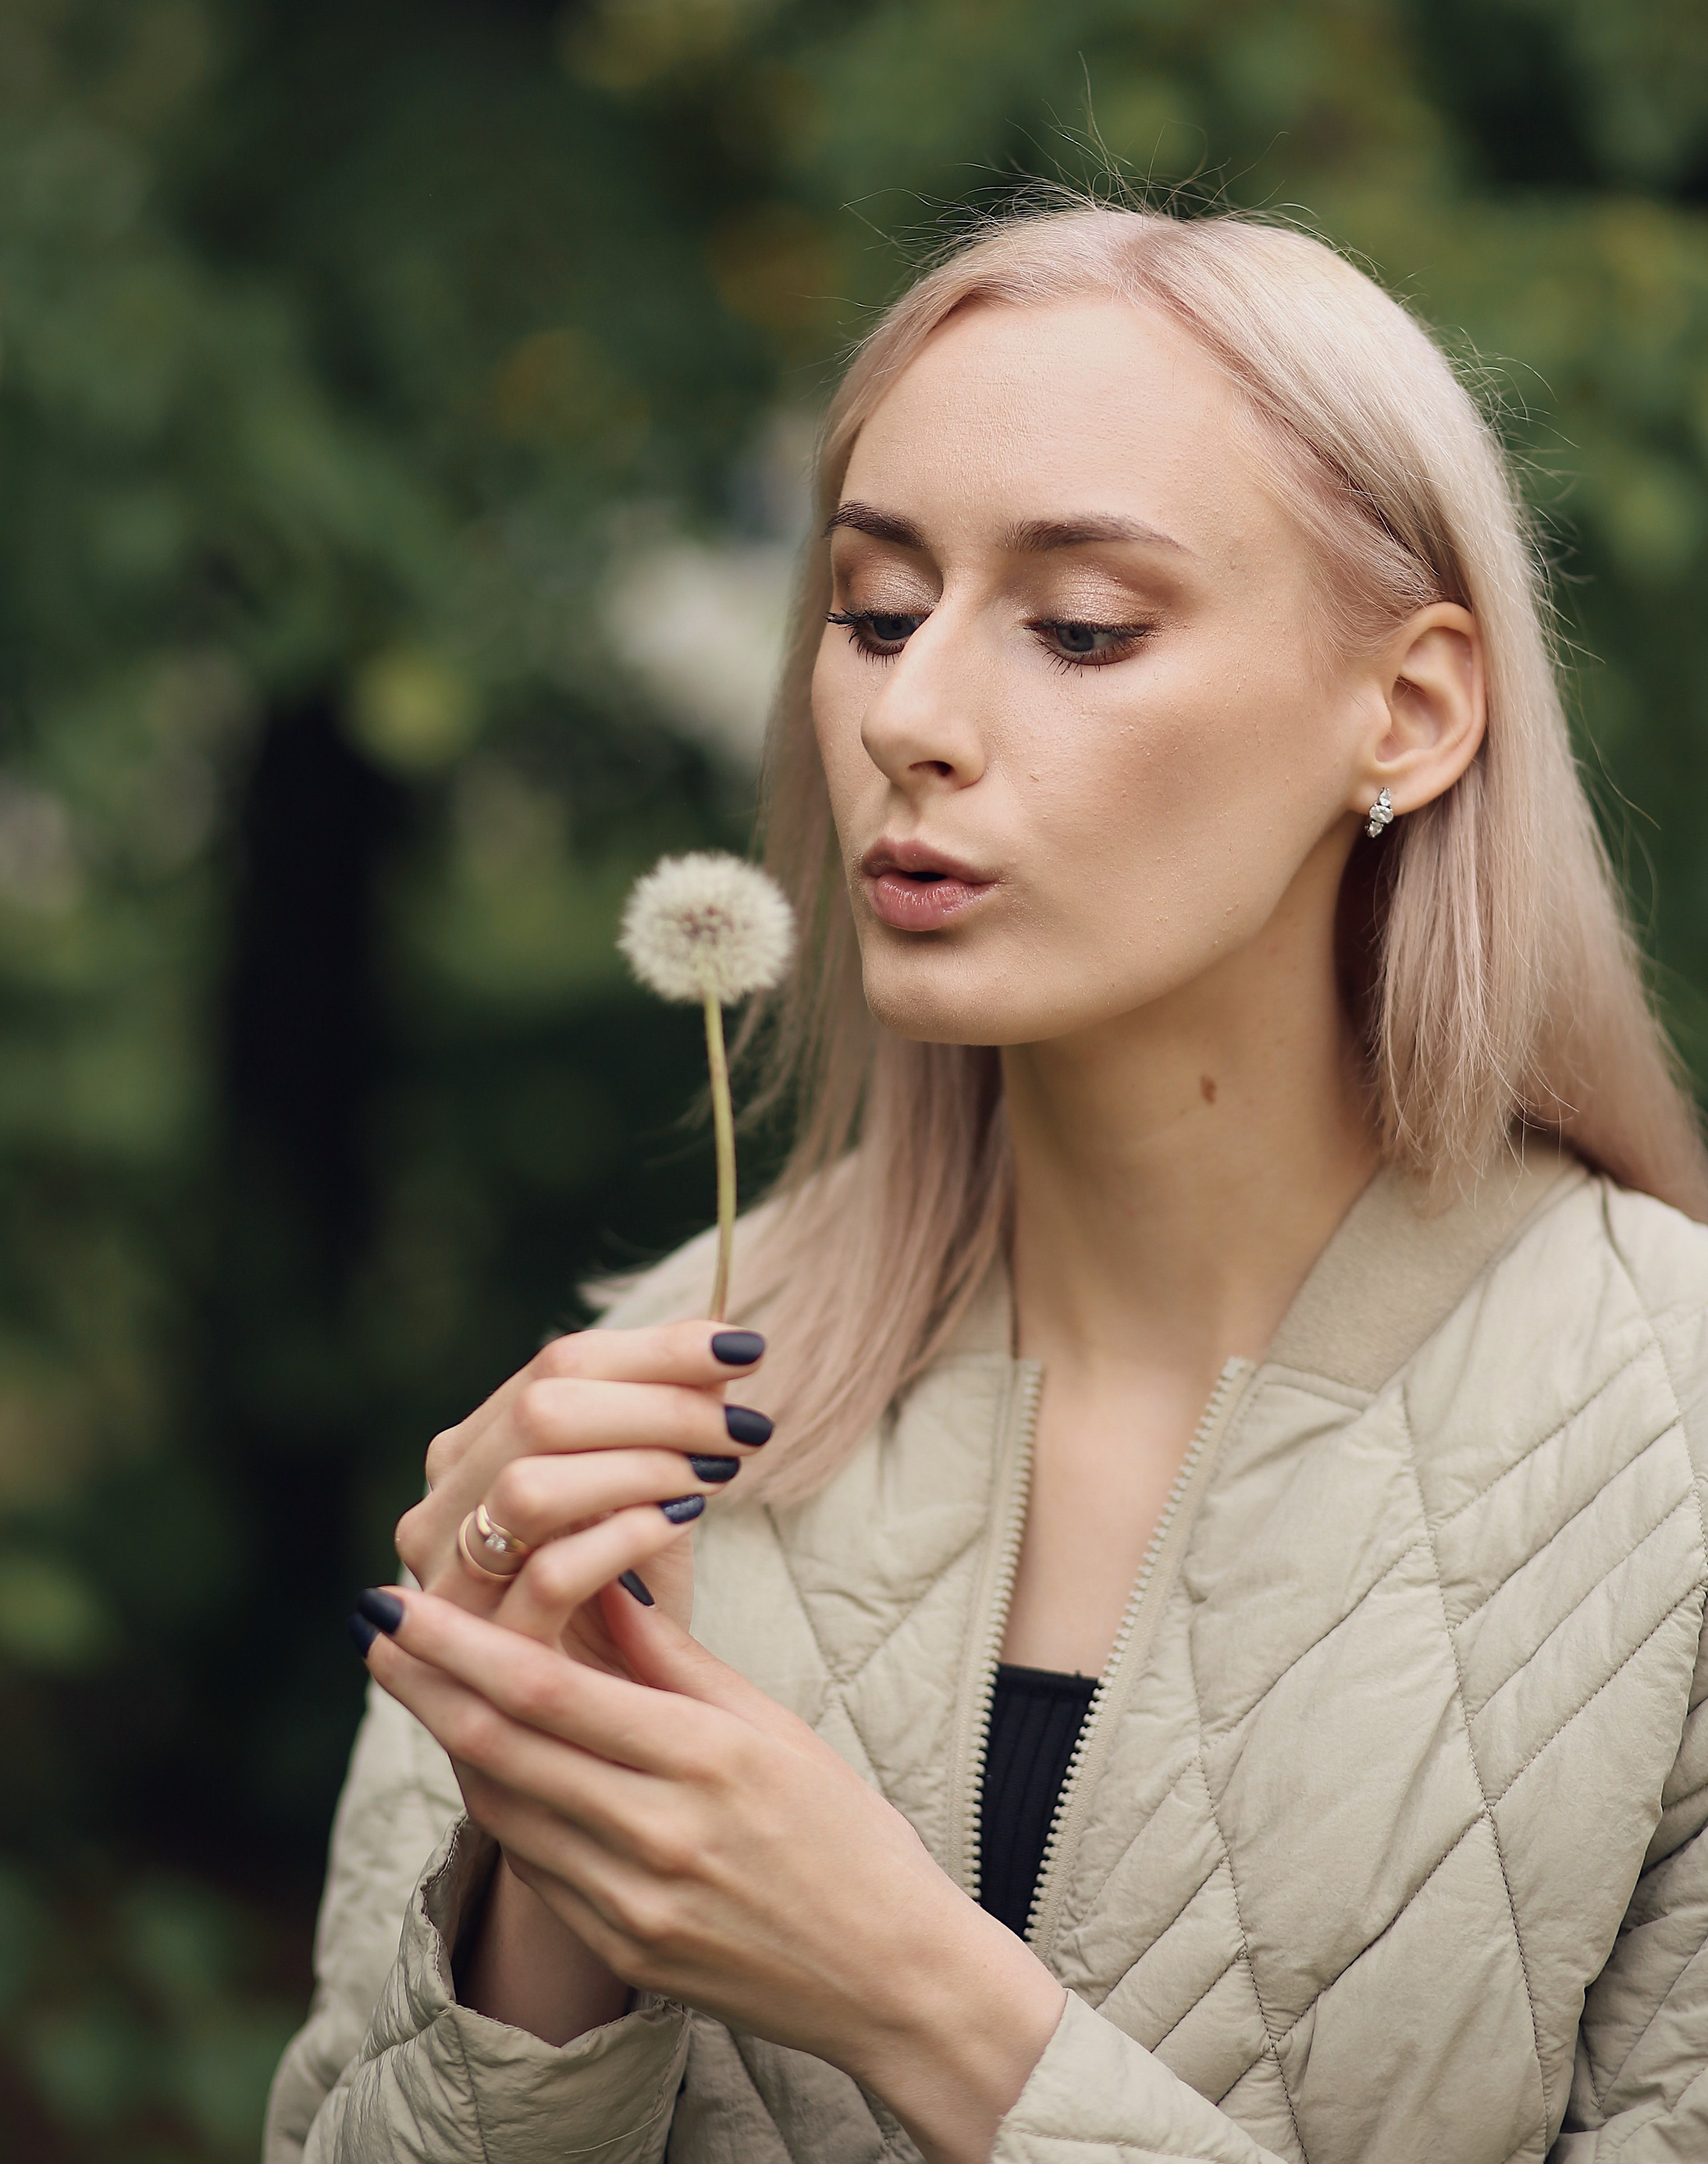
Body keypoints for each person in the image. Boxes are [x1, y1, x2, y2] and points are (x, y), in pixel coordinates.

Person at [266, 206, 1708, 2164]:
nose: (910, 722)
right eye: (874, 612)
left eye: (1083, 627)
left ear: (1413, 710)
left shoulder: (1671, 1443)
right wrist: (547, 1910)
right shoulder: (643, 1404)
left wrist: (915, 1998)